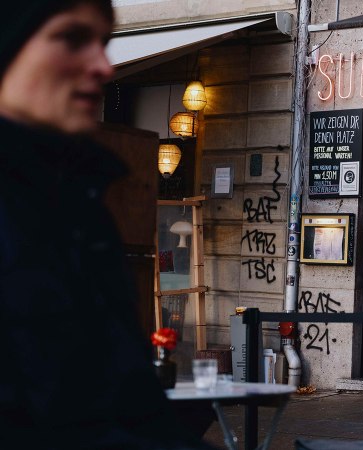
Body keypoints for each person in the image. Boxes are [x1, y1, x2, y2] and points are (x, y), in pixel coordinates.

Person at [0, 2, 212, 448]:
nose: (102, 65)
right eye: (73, 39)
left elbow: (124, 400)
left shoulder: (80, 204)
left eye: (104, 43)